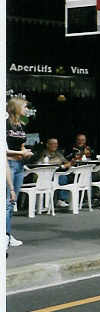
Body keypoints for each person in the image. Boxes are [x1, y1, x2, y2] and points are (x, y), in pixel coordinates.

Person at [7, 97, 33, 247]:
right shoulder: (5, 124)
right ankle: (6, 234)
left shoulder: (20, 125)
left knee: (12, 201)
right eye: (24, 106)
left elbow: (21, 145)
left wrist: (25, 152)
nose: (26, 109)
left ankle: (7, 233)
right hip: (9, 163)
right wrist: (19, 153)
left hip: (19, 164)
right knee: (7, 201)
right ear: (16, 107)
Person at [40, 138, 72, 207]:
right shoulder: (43, 153)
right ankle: (61, 200)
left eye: (56, 144)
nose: (55, 145)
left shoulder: (58, 154)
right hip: (44, 175)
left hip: (57, 174)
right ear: (47, 145)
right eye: (52, 144)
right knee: (62, 178)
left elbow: (68, 163)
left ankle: (62, 200)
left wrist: (63, 166)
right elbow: (41, 164)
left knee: (66, 176)